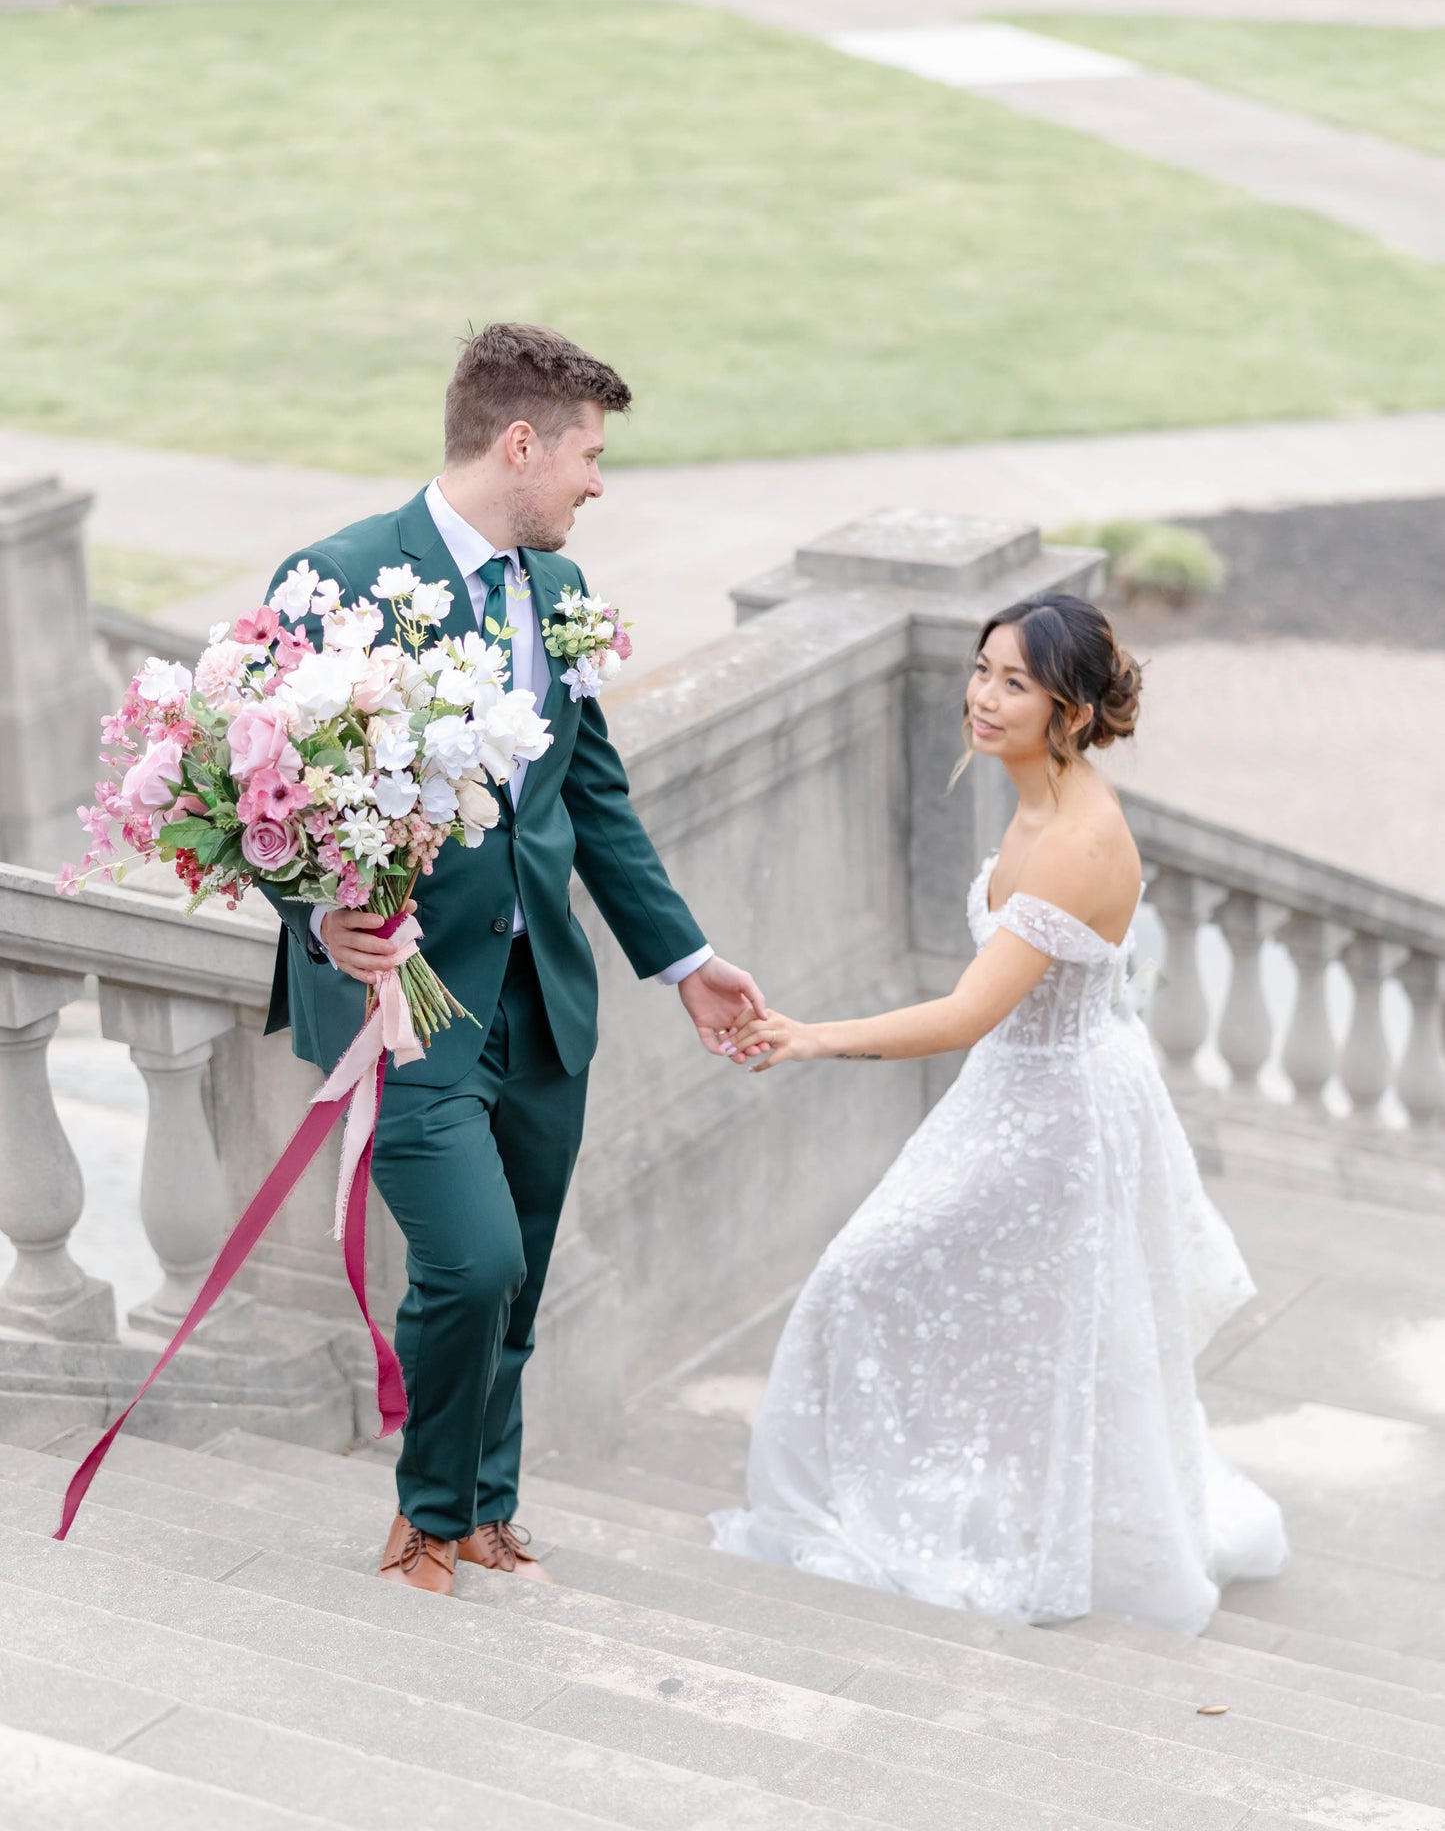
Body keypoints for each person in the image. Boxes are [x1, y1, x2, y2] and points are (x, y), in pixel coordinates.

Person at [263, 323, 764, 1597]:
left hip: (543, 996)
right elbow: (257, 792)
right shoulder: (336, 579)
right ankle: (423, 1517)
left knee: (522, 1274)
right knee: (470, 1259)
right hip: (408, 1000)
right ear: (521, 443)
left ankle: (489, 1506)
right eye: (589, 456)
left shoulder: (559, 597)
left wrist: (684, 959)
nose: (598, 483)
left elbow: (592, 799)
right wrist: (321, 919)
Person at [713, 593, 1287, 1634]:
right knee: (988, 1312)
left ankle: (1027, 1528)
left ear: (1068, 709)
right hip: (1014, 1089)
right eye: (981, 668)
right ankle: (986, 1498)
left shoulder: (1075, 838)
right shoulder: (1032, 793)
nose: (980, 695)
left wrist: (811, 1035)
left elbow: (969, 1009)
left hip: (1058, 1111)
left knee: (884, 1275)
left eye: (1012, 681)